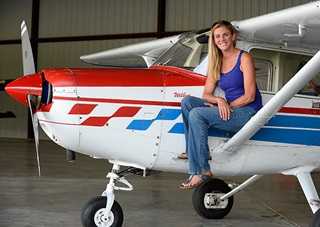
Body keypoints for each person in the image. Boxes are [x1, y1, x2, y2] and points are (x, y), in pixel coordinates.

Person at [179, 20, 262, 189]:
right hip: (229, 107)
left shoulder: (244, 58)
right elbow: (206, 95)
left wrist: (225, 106)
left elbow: (250, 96)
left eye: (225, 35)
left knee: (197, 114)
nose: (221, 39)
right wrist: (219, 100)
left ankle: (202, 170)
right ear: (214, 40)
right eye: (217, 36)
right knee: (187, 102)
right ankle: (194, 151)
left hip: (247, 112)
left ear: (233, 37)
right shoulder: (216, 61)